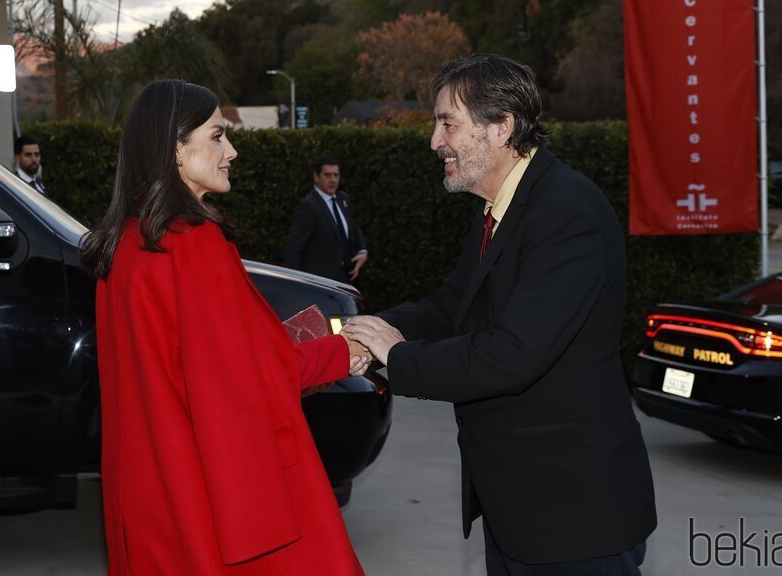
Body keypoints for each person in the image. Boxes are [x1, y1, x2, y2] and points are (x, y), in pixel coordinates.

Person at [345, 54, 657, 575]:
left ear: (501, 126)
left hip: (572, 515)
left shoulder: (566, 211)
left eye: (448, 123)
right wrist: (363, 334)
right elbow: (451, 307)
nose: (434, 141)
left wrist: (396, 357)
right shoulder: (500, 211)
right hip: (520, 506)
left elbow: (515, 354)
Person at [80, 80, 371, 575]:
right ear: (175, 148)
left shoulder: (125, 244)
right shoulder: (195, 244)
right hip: (209, 492)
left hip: (152, 490)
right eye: (217, 136)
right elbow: (249, 379)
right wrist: (342, 352)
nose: (231, 150)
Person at [284, 157, 368, 282]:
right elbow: (294, 248)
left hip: (346, 278)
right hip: (321, 282)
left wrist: (362, 250)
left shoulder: (343, 199)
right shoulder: (310, 206)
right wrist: (297, 283)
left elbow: (353, 225)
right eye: (327, 175)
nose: (333, 180)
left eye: (336, 175)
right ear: (316, 177)